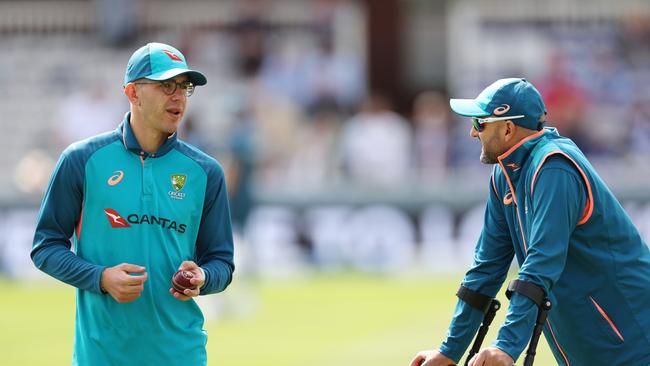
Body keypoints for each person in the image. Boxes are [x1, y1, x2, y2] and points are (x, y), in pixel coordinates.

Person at [410, 78, 650, 366]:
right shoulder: (504, 176)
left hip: (634, 341)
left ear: (508, 128)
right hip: (600, 345)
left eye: (480, 122)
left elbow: (542, 263)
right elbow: (486, 270)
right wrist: (450, 351)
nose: (473, 133)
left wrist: (507, 347)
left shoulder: (554, 167)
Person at [31, 42, 235, 366]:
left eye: (185, 87)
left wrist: (203, 277)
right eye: (166, 86)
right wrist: (100, 278)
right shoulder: (82, 160)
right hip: (101, 356)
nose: (178, 96)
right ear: (132, 92)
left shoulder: (206, 172)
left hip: (181, 356)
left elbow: (222, 262)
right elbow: (45, 247)